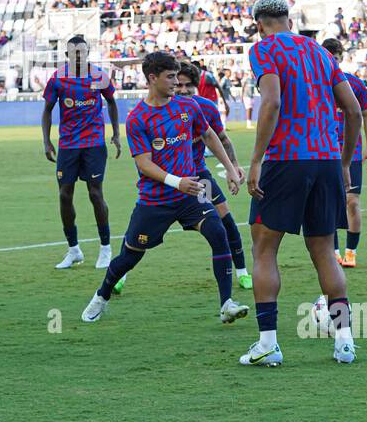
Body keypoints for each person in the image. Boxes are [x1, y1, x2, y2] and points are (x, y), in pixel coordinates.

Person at [79, 51, 247, 326]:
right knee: (129, 256)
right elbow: (144, 164)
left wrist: (229, 167)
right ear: (152, 78)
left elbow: (208, 134)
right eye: (170, 77)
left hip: (193, 188)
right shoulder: (138, 118)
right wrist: (176, 181)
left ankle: (226, 303)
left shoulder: (188, 107)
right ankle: (102, 295)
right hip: (155, 199)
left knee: (219, 233)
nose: (175, 83)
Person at [243, 0, 361, 367]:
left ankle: (267, 344)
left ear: (260, 23)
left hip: (285, 159)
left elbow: (272, 102)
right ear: (288, 18)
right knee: (325, 251)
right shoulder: (321, 53)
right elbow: (354, 110)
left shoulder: (264, 49)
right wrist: (343, 163)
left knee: (264, 249)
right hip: (325, 160)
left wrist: (257, 159)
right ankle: (344, 341)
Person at [41, 35, 120, 270]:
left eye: (82, 52)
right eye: (74, 53)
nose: (78, 56)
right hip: (68, 144)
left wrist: (116, 133)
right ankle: (73, 249)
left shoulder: (98, 77)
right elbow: (47, 110)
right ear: (67, 55)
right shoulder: (58, 79)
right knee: (65, 195)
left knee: (95, 194)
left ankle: (106, 248)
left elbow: (112, 102)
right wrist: (46, 141)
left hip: (94, 143)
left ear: (87, 53)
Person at [176, 61, 252, 290]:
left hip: (198, 178)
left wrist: (234, 167)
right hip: (165, 181)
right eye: (178, 84)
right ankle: (120, 276)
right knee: (145, 232)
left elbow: (223, 139)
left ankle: (242, 272)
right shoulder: (161, 109)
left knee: (226, 221)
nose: (183, 90)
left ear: (196, 85)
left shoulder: (205, 108)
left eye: (188, 85)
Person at [321, 39, 367, 269]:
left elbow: (366, 115)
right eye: (327, 56)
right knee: (330, 204)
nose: (331, 60)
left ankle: (351, 251)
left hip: (349, 153)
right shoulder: (316, 84)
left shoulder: (353, 83)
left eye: (335, 57)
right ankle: (333, 252)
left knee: (352, 202)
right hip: (324, 152)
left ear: (340, 58)